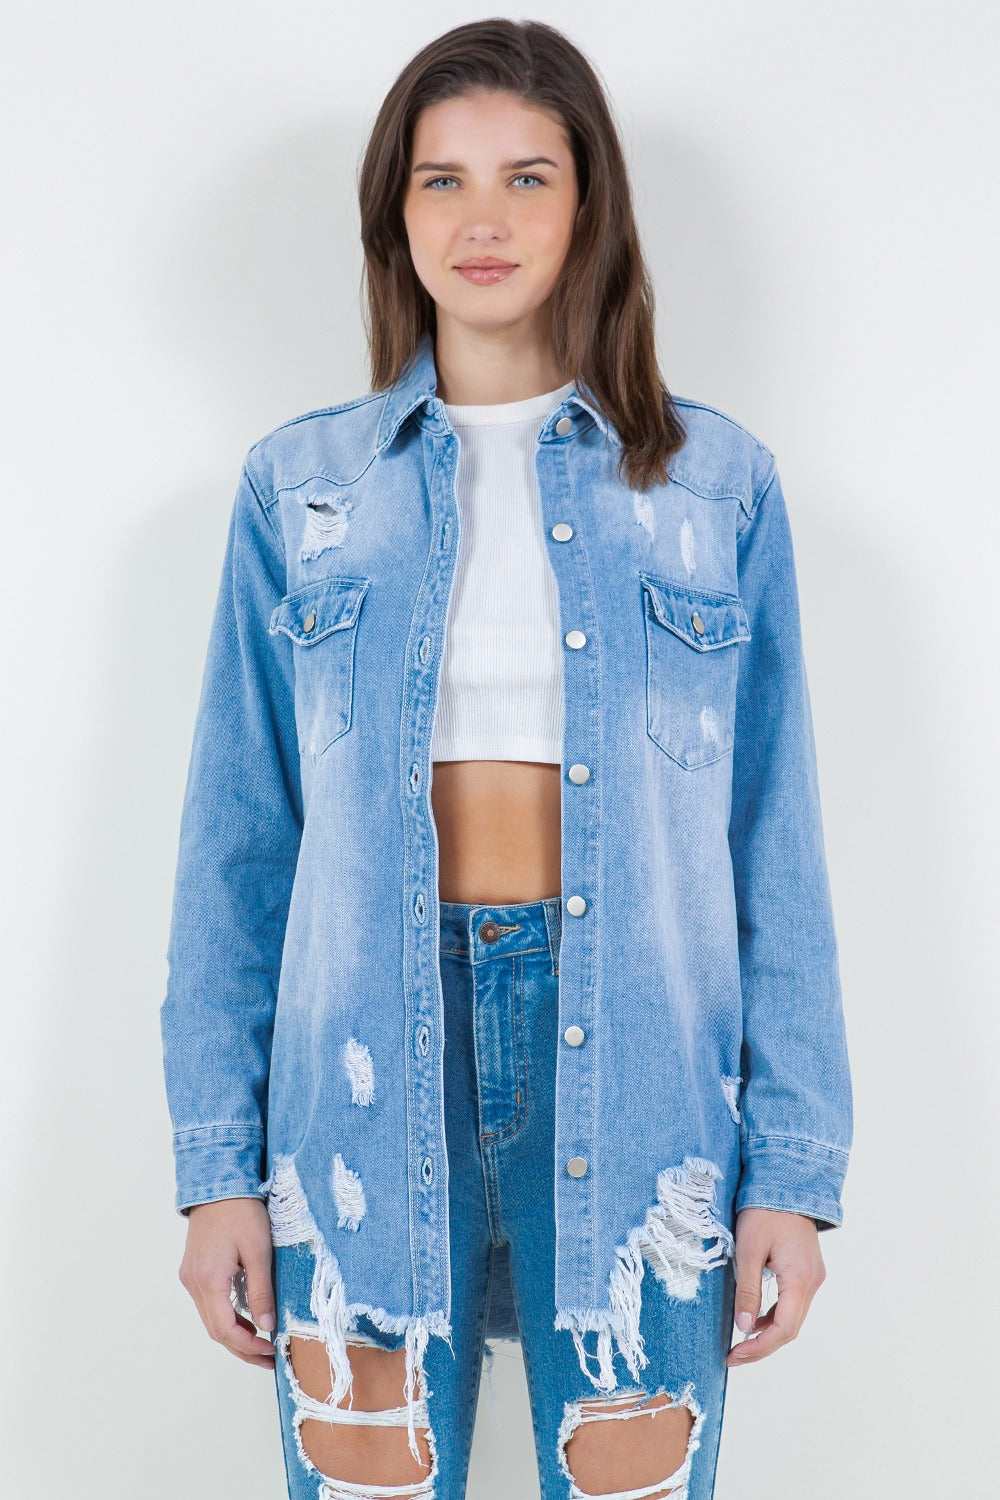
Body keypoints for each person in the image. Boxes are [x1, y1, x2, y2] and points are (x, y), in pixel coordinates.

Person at [160, 18, 853, 1500]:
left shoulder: (715, 487)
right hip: (353, 1076)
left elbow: (771, 847)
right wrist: (219, 1163)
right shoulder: (303, 492)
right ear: (393, 218)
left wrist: (793, 1175)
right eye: (442, 182)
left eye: (528, 178)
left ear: (589, 208)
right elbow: (239, 843)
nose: (485, 219)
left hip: (649, 1081)